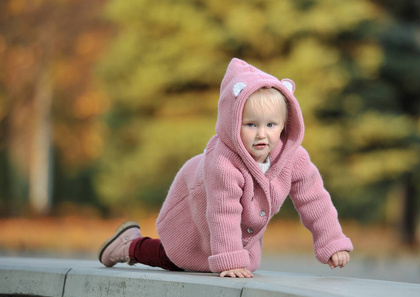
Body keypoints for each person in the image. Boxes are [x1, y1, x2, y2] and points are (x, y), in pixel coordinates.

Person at [98, 58, 353, 278]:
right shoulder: (223, 162)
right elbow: (223, 211)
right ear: (233, 123)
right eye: (251, 125)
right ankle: (129, 244)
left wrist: (331, 241)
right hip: (195, 205)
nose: (262, 135)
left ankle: (227, 252)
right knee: (176, 257)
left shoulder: (294, 158)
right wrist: (230, 259)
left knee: (243, 264)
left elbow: (314, 200)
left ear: (285, 124)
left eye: (271, 125)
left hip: (237, 231)